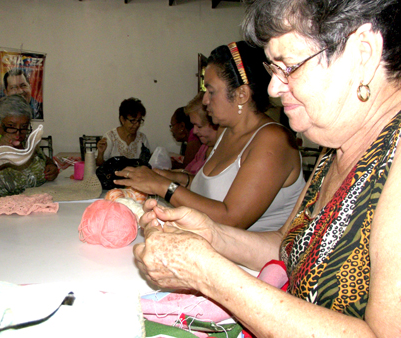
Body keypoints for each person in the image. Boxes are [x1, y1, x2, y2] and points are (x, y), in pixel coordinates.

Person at [134, 0, 401, 336]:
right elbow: (287, 247)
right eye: (272, 70)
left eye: (288, 66)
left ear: (363, 54)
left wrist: (206, 272)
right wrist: (211, 235)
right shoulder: (337, 147)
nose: (273, 88)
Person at [116, 41, 304, 232]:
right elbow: (211, 193)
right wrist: (176, 178)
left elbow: (231, 219)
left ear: (241, 94)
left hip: (247, 261)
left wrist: (164, 186)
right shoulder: (225, 132)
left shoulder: (273, 141)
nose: (205, 101)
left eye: (211, 91)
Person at [0, 95, 58, 202]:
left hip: (30, 203)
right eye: (11, 126)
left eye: (24, 126)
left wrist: (51, 166)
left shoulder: (26, 139)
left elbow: (44, 158)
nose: (18, 133)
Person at [157, 91, 221, 188]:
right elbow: (187, 171)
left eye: (198, 126)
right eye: (193, 125)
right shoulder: (204, 148)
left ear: (215, 124)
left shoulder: (224, 154)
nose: (194, 131)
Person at [95, 97, 150, 166]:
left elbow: (146, 165)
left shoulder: (142, 139)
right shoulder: (110, 137)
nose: (137, 125)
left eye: (139, 120)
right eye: (133, 121)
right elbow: (99, 165)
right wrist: (100, 153)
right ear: (122, 119)